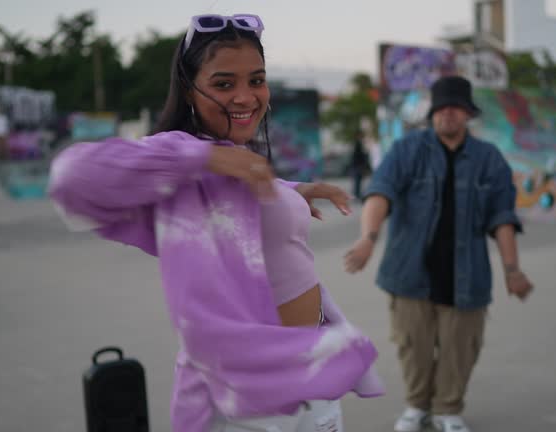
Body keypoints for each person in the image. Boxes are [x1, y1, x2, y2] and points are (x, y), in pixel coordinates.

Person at [48, 14, 383, 432]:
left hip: (305, 377)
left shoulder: (234, 159)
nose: (246, 97)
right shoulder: (181, 157)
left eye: (256, 80)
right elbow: (70, 176)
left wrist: (292, 190)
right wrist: (201, 157)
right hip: (245, 397)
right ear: (190, 90)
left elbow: (235, 203)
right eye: (224, 84)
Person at [343, 76, 534, 432]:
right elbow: (380, 192)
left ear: (467, 114)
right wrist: (368, 238)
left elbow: (502, 217)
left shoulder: (488, 159)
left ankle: (448, 409)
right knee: (412, 347)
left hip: (467, 274)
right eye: (441, 108)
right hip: (409, 271)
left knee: (459, 349)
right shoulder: (407, 149)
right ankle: (417, 406)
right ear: (432, 113)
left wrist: (512, 270)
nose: (448, 114)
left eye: (455, 108)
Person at [350, 130, 370, 199]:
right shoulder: (358, 144)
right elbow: (359, 156)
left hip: (357, 165)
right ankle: (356, 193)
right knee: (357, 180)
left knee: (358, 180)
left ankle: (356, 193)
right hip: (358, 165)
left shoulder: (357, 144)